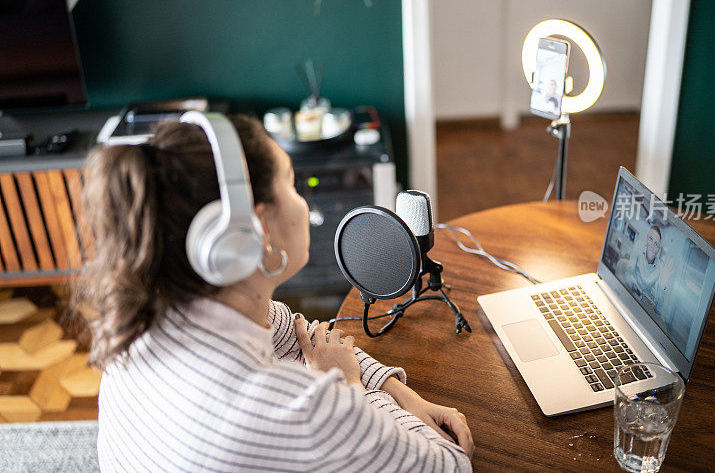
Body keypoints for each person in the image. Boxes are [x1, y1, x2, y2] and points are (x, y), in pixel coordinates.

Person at [71, 116, 473, 472]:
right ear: (257, 230)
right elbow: (448, 464)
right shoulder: (300, 412)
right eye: (293, 184)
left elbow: (298, 335)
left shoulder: (150, 317)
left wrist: (398, 392)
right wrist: (351, 387)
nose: (303, 204)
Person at [625, 225, 674, 314]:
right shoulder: (639, 246)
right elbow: (628, 273)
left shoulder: (660, 269)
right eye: (651, 239)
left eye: (656, 244)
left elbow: (658, 310)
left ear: (659, 249)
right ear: (647, 238)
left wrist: (663, 286)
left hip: (642, 308)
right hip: (629, 296)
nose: (652, 245)